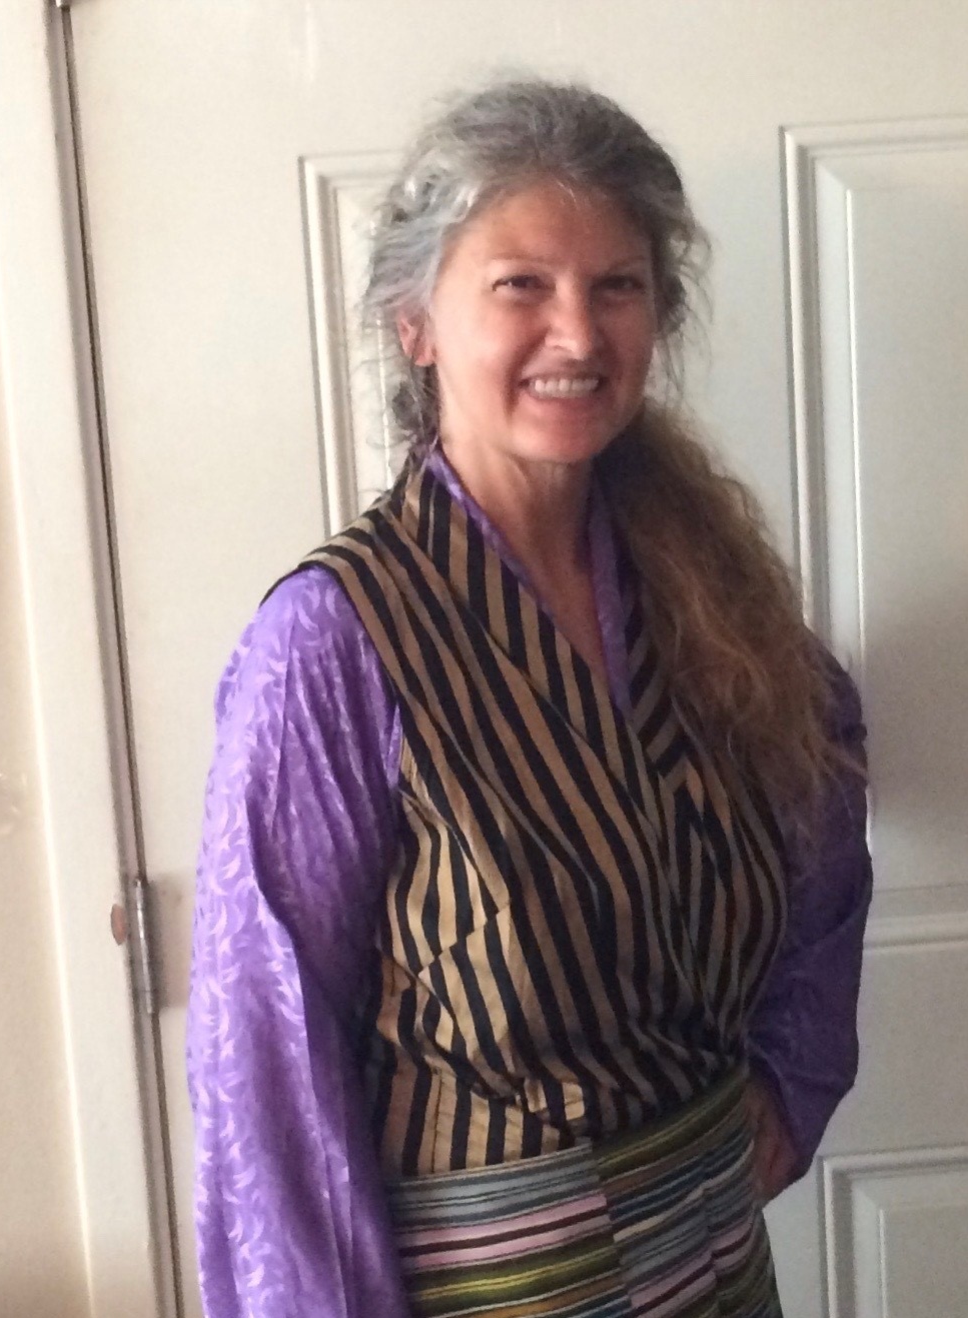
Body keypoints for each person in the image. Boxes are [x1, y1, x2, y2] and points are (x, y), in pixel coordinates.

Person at [187, 78, 871, 1318]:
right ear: (415, 322)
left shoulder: (705, 593)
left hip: (720, 1268)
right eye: (521, 285)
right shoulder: (332, 644)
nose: (577, 333)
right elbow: (268, 1061)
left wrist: (793, 1072)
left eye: (617, 286)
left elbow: (823, 814)